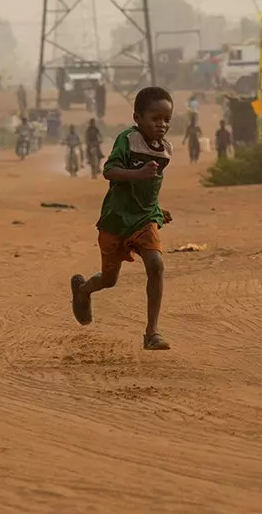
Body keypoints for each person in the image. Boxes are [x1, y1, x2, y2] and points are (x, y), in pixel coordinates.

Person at [69, 86, 175, 352]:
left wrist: (157, 210)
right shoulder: (127, 140)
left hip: (144, 218)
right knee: (109, 280)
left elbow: (151, 186)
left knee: (156, 264)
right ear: (137, 118)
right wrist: (136, 174)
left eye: (166, 120)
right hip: (116, 219)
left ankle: (152, 333)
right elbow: (109, 171)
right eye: (155, 118)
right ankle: (83, 291)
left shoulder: (165, 151)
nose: (161, 125)